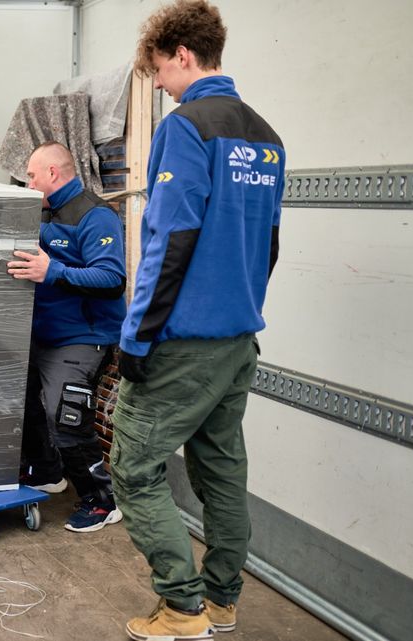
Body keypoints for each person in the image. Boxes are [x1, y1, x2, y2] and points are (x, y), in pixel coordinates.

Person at [111, 1, 285, 638]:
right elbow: (267, 244)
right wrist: (239, 306)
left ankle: (181, 609)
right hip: (238, 341)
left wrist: (136, 336)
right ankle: (221, 602)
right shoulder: (267, 137)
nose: (158, 84)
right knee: (222, 471)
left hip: (180, 344)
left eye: (159, 70)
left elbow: (170, 238)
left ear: (182, 55)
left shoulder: (186, 127)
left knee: (133, 467)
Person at [7, 141, 127, 533]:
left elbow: (112, 279)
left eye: (31, 175)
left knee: (67, 417)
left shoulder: (94, 216)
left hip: (83, 336)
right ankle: (47, 472)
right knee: (19, 401)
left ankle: (101, 500)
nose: (27, 182)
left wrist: (53, 271)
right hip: (41, 332)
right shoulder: (41, 212)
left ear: (53, 175)